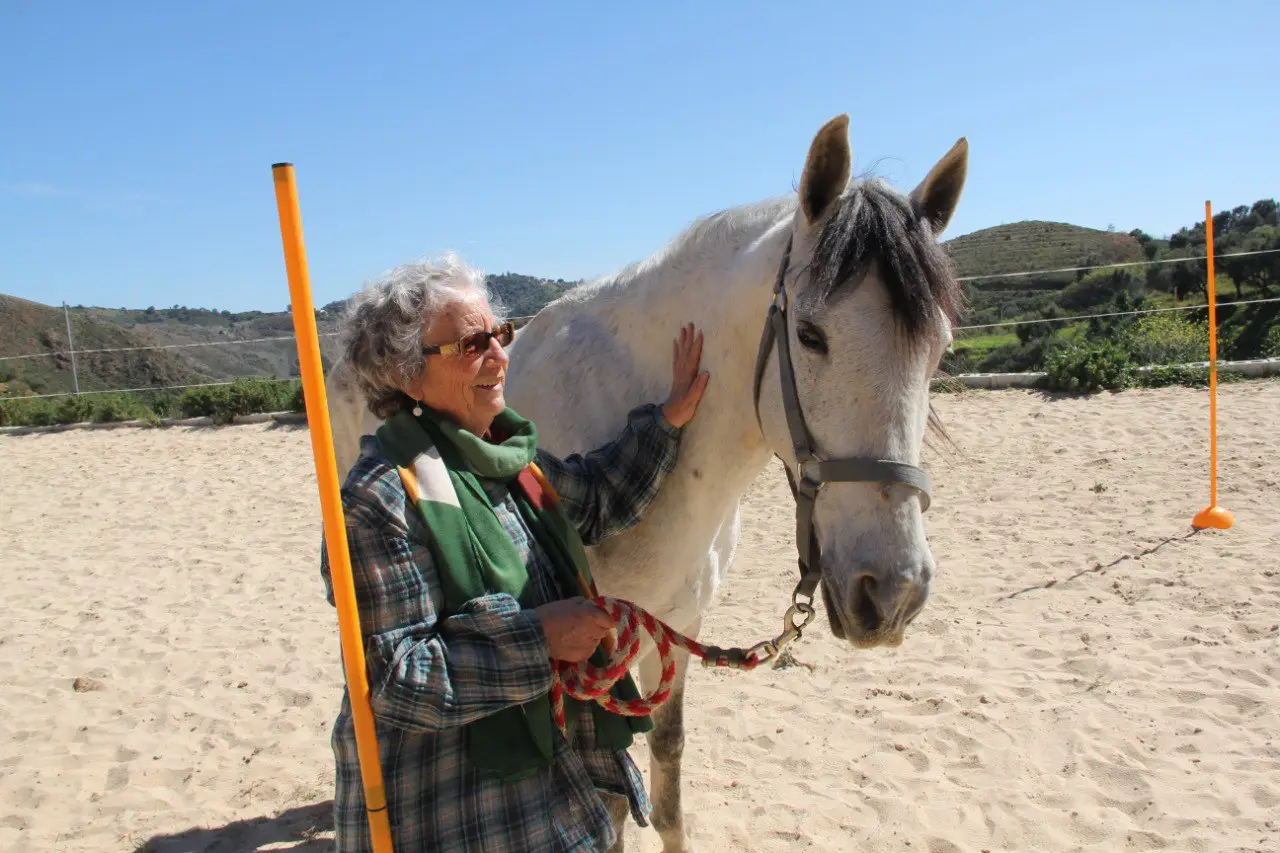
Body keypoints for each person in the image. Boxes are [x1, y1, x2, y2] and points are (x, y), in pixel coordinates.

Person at [319, 252, 710, 852]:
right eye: (470, 345)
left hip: (553, 794)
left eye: (498, 335)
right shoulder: (378, 499)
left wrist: (668, 421)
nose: (500, 356)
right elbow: (396, 679)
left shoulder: (506, 458)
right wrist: (542, 638)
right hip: (457, 815)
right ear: (405, 374)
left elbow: (597, 496)